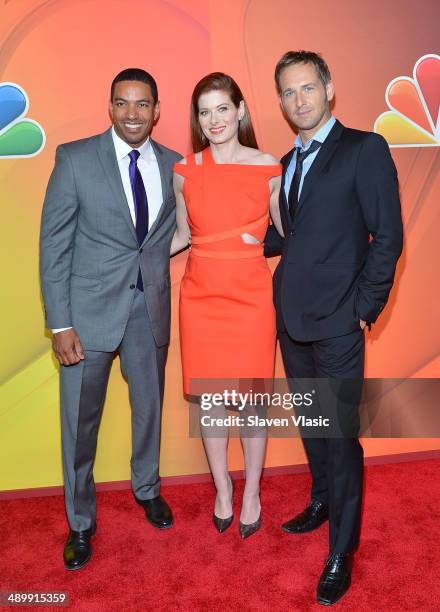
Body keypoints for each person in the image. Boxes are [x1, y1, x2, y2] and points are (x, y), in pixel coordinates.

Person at [265, 51, 403, 605]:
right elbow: (285, 239)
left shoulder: (364, 149)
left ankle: (341, 549)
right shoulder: (283, 162)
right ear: (280, 102)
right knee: (315, 423)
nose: (299, 100)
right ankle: (321, 499)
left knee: (342, 437)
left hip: (341, 322)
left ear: (329, 89)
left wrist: (363, 309)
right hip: (292, 320)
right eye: (289, 93)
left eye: (307, 88)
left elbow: (387, 237)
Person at [40, 68, 181, 570]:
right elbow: (53, 244)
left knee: (150, 411)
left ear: (157, 110)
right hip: (87, 316)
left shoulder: (174, 165)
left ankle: (147, 488)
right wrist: (60, 324)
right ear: (109, 107)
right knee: (80, 425)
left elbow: (174, 233)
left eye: (142, 104)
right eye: (122, 103)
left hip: (149, 311)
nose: (132, 114)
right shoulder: (75, 159)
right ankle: (80, 521)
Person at [171, 72, 283, 538]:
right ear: (197, 119)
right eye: (204, 111)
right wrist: (125, 262)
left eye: (222, 108)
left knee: (253, 404)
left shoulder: (269, 166)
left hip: (252, 300)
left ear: (240, 110)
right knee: (211, 403)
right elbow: (180, 236)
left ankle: (252, 491)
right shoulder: (184, 170)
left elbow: (288, 235)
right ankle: (223, 489)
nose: (213, 119)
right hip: (201, 299)